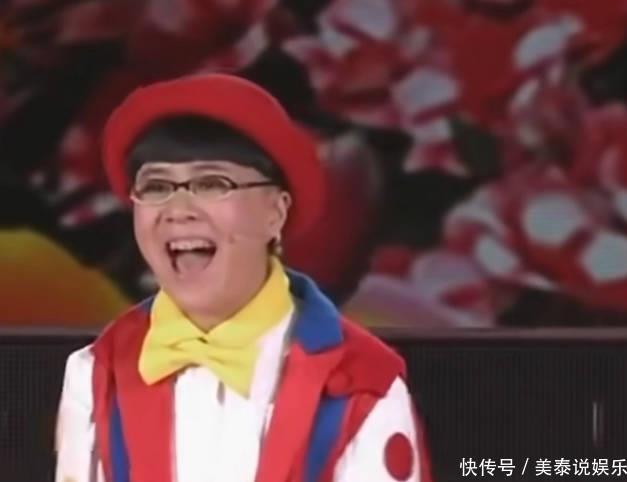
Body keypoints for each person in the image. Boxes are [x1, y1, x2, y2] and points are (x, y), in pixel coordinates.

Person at [55, 73, 435, 482]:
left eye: (211, 184)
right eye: (156, 187)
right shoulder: (96, 371)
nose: (178, 210)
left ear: (275, 212)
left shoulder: (363, 381)